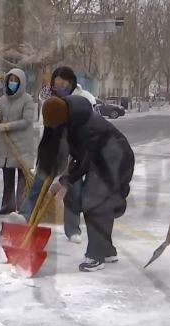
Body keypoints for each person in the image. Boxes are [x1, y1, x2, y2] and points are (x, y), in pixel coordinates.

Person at [39, 95, 134, 272]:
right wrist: (50, 170)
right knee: (99, 204)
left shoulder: (86, 126)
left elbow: (85, 159)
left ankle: (96, 256)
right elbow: (60, 149)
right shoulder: (68, 119)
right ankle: (106, 251)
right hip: (101, 161)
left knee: (95, 204)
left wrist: (66, 180)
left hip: (115, 161)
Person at [14, 66, 96, 244]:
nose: (60, 87)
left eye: (64, 83)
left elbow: (89, 127)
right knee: (38, 186)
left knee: (73, 192)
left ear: (72, 82)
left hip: (74, 152)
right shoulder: (49, 99)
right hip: (51, 149)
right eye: (57, 84)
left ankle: (73, 229)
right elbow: (45, 126)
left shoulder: (85, 99)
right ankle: (26, 215)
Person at [0, 68, 36, 215]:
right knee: (8, 178)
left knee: (23, 178)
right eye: (10, 80)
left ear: (21, 83)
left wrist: (7, 126)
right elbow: (2, 116)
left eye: (15, 81)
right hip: (7, 146)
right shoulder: (4, 99)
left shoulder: (27, 100)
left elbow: (27, 120)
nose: (12, 83)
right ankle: (8, 205)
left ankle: (23, 206)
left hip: (22, 145)